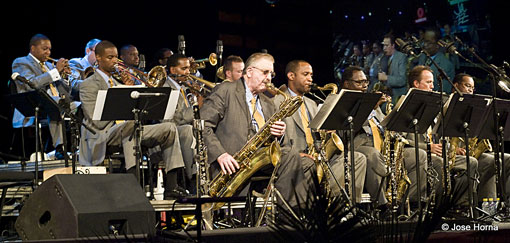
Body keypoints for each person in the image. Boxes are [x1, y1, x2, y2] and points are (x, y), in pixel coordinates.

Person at [200, 52, 310, 209]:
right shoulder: (226, 90)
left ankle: (302, 213)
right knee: (291, 155)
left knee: (308, 163)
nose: (269, 78)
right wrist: (220, 154)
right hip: (232, 163)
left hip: (259, 162)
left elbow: (276, 144)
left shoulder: (268, 103)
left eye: (271, 74)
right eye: (264, 72)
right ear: (249, 72)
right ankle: (289, 219)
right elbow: (202, 125)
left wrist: (279, 134)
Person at [79, 40, 187, 198]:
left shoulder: (119, 82)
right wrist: (120, 101)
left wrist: (130, 89)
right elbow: (96, 122)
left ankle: (172, 185)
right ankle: (133, 184)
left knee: (169, 128)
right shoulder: (87, 85)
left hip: (129, 130)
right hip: (103, 134)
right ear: (98, 58)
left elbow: (140, 113)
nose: (115, 61)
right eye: (110, 57)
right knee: (130, 124)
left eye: (116, 57)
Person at [274, 60, 367, 202]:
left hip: (316, 156)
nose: (310, 79)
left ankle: (345, 208)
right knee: (311, 166)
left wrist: (327, 131)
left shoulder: (312, 103)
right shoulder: (277, 101)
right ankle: (323, 204)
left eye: (311, 75)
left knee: (358, 158)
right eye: (305, 74)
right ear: (291, 76)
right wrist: (296, 154)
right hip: (296, 159)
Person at [406, 66, 477, 207]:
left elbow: (439, 136)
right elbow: (400, 140)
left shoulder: (434, 108)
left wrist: (451, 149)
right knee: (438, 162)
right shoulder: (405, 106)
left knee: (471, 162)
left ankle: (461, 206)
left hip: (435, 154)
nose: (432, 87)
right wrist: (428, 147)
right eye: (428, 82)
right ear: (416, 84)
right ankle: (436, 207)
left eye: (433, 83)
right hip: (418, 154)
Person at [11, 33, 73, 159]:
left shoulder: (50, 66)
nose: (48, 52)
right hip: (31, 106)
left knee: (80, 106)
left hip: (54, 104)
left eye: (49, 49)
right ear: (33, 49)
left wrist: (65, 77)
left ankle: (79, 148)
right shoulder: (21, 62)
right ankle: (60, 147)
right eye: (44, 49)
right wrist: (55, 72)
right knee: (55, 103)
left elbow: (65, 93)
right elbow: (31, 84)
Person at [452, 73, 510, 203]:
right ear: (455, 86)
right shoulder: (447, 104)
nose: (470, 90)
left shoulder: (473, 108)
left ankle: (501, 204)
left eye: (472, 88)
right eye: (467, 86)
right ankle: (481, 205)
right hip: (452, 153)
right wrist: (452, 149)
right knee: (490, 161)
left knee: (506, 159)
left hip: (468, 151)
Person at [340, 66, 390, 207]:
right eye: (359, 83)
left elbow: (383, 125)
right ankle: (381, 204)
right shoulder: (341, 102)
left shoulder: (370, 101)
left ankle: (408, 204)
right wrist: (369, 109)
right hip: (356, 144)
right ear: (346, 84)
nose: (364, 86)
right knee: (372, 154)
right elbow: (343, 132)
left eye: (366, 82)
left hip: (379, 142)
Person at [416, 27, 455, 93]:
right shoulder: (422, 57)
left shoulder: (447, 65)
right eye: (424, 41)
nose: (425, 45)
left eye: (429, 43)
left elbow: (444, 92)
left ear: (438, 44)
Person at [378, 33, 408, 104]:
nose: (384, 48)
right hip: (390, 96)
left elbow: (402, 80)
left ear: (393, 45)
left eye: (386, 45)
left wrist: (386, 78)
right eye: (383, 45)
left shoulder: (401, 57)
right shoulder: (386, 58)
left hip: (398, 97)